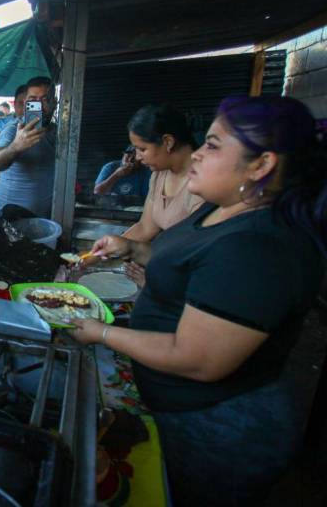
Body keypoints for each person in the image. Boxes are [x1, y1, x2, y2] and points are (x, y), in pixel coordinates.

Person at [70, 95, 327, 507]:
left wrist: (100, 332)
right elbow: (191, 272)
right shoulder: (223, 209)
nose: (198, 155)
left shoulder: (259, 245)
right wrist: (134, 250)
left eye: (212, 144)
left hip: (218, 427)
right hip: (181, 407)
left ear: (261, 166)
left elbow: (197, 358)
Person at [120, 104, 204, 285]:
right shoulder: (159, 174)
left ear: (168, 142)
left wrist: (153, 278)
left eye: (142, 149)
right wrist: (94, 255)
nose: (138, 157)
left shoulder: (202, 185)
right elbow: (145, 227)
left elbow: (194, 258)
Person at [0, 76, 57, 218]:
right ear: (26, 103)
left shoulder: (57, 131)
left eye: (45, 100)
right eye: (33, 99)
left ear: (54, 103)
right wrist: (15, 146)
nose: (39, 105)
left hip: (43, 216)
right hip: (8, 216)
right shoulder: (14, 129)